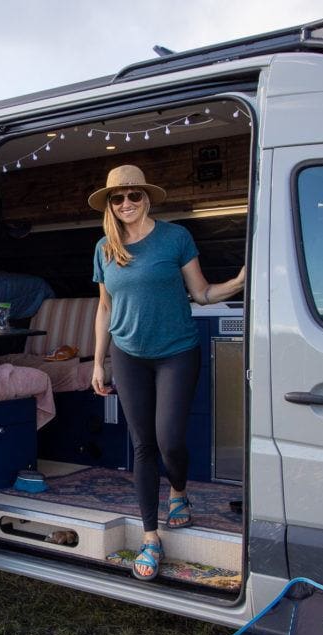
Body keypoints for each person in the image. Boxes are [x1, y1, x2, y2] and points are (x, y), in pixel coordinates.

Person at [89, 165, 246, 581]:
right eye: (117, 198)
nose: (126, 204)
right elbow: (104, 308)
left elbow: (202, 293)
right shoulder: (105, 248)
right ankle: (151, 536)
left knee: (169, 439)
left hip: (176, 351)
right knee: (143, 445)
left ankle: (179, 491)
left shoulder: (175, 238)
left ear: (147, 198)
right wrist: (97, 361)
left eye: (133, 196)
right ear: (110, 205)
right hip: (128, 354)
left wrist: (240, 281)